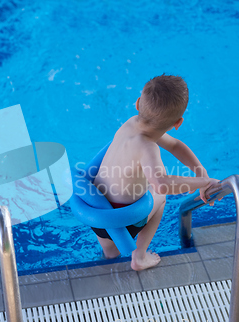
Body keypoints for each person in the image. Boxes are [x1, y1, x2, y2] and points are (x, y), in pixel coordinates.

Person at [92, 74, 222, 271]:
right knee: (160, 197)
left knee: (111, 252)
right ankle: (140, 256)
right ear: (178, 123)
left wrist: (200, 174)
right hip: (123, 216)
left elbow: (176, 146)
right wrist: (204, 183)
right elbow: (162, 185)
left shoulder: (130, 123)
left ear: (137, 103)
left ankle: (109, 257)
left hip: (96, 209)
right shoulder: (148, 147)